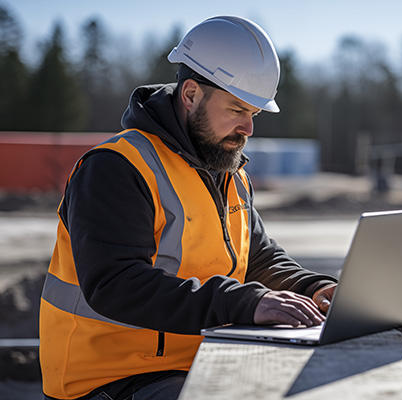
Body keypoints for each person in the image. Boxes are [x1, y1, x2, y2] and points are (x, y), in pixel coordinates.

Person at [39, 16, 337, 400]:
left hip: (203, 358)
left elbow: (258, 258)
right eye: (236, 110)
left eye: (254, 114)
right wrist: (244, 302)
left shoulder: (227, 171)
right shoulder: (116, 167)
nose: (248, 128)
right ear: (192, 94)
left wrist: (315, 289)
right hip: (110, 379)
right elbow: (116, 284)